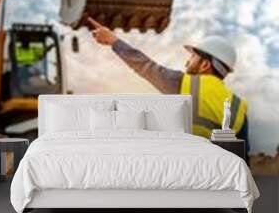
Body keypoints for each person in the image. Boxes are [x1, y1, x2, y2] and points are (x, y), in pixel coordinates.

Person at [88, 17, 250, 163]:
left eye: (192, 57)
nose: (188, 62)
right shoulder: (239, 107)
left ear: (205, 64)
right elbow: (243, 157)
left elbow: (145, 66)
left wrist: (113, 41)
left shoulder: (185, 84)